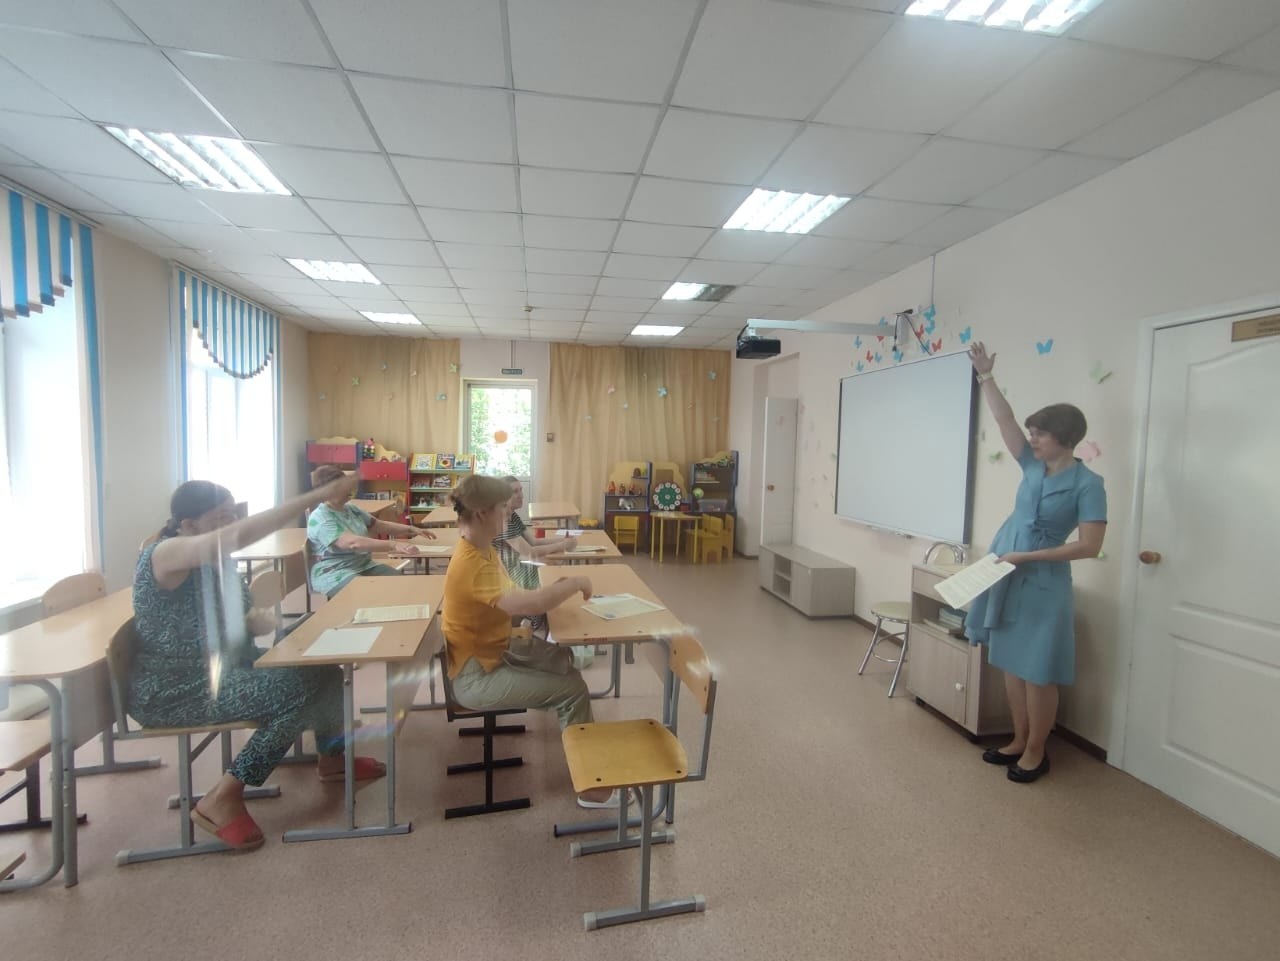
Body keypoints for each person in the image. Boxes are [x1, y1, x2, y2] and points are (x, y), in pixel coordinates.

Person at [130, 476, 388, 852]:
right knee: (296, 691)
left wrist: (253, 619)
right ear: (188, 525)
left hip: (228, 670)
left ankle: (332, 758)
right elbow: (233, 541)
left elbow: (231, 613)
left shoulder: (216, 562)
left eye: (233, 515)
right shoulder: (165, 553)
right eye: (222, 517)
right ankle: (223, 795)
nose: (231, 524)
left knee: (323, 668)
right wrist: (316, 496)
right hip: (178, 690)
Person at [964, 342, 1107, 784]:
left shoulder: (1088, 484)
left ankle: (1036, 751)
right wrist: (986, 377)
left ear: (1064, 438)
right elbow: (1004, 420)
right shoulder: (1031, 466)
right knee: (1010, 662)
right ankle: (1017, 738)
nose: (1032, 439)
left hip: (1043, 581)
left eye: (1040, 434)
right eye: (1032, 433)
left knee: (1038, 671)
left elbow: (1089, 546)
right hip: (1005, 569)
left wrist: (1026, 556)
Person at [441, 475, 616, 808]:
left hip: (494, 651)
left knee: (562, 660)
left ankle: (582, 741)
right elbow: (530, 605)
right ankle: (591, 789)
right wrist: (574, 582)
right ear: (482, 513)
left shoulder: (481, 548)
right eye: (502, 508)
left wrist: (553, 589)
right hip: (476, 676)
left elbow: (519, 596)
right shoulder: (473, 561)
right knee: (572, 690)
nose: (507, 514)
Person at [305, 464, 436, 598]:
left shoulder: (351, 509)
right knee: (369, 593)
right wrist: (393, 544)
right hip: (334, 572)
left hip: (363, 565)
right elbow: (353, 543)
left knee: (400, 583)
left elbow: (378, 525)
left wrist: (411, 529)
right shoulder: (321, 518)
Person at [493, 475, 578, 590]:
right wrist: (562, 545)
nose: (521, 495)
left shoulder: (513, 515)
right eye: (515, 491)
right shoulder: (503, 522)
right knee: (554, 569)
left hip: (520, 563)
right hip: (513, 572)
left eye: (521, 490)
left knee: (555, 564)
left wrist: (563, 540)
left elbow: (533, 542)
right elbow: (529, 552)